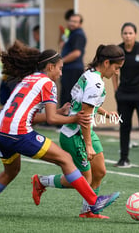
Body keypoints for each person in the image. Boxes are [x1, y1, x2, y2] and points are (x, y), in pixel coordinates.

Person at [0, 41, 120, 215]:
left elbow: (29, 115)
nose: (61, 73)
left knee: (11, 171)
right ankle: (93, 202)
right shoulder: (48, 84)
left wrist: (59, 112)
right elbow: (51, 119)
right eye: (60, 68)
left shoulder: (29, 79)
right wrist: (73, 118)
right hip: (18, 133)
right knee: (65, 159)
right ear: (50, 67)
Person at [31, 44, 125, 219]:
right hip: (75, 134)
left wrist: (104, 113)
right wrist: (88, 145)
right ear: (106, 63)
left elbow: (85, 104)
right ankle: (41, 181)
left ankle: (88, 211)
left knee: (100, 172)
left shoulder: (91, 74)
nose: (117, 72)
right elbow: (85, 116)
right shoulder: (95, 82)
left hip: (85, 131)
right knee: (84, 179)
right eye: (116, 68)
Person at [112, 22, 139, 169]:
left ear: (135, 35)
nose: (127, 36)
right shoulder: (118, 51)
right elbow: (114, 71)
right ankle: (124, 158)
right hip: (124, 95)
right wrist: (116, 90)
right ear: (122, 35)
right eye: (125, 33)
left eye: (130, 33)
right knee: (124, 127)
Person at [60, 13, 86, 107]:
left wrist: (61, 61)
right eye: (71, 21)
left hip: (73, 70)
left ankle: (67, 119)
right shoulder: (70, 32)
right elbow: (62, 44)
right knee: (65, 94)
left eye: (75, 22)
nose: (72, 23)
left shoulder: (78, 34)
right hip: (68, 69)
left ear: (80, 24)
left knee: (69, 96)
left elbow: (76, 53)